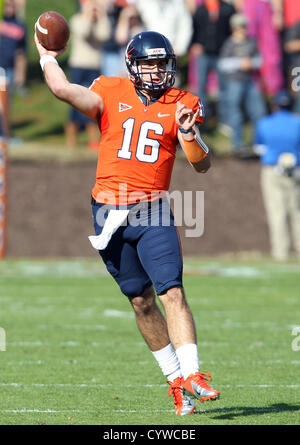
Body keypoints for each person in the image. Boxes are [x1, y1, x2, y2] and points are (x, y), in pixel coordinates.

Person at [34, 29, 220, 415]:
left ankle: (194, 373)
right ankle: (175, 382)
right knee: (140, 301)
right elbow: (65, 91)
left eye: (162, 63)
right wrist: (47, 57)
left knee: (172, 291)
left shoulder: (184, 103)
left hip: (152, 208)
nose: (156, 70)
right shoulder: (109, 89)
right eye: (149, 63)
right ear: (134, 66)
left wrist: (188, 131)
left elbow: (202, 165)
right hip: (108, 212)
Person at [254, 90, 300, 261]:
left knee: (277, 212)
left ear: (275, 105)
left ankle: (281, 253)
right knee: (296, 211)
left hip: (272, 169)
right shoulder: (297, 122)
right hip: (295, 168)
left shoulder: (265, 122)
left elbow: (259, 147)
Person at [65, 0, 111, 150]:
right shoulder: (77, 19)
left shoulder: (100, 22)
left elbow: (105, 35)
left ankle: (93, 141)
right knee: (73, 102)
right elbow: (84, 32)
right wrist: (87, 16)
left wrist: (102, 15)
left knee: (94, 102)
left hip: (95, 66)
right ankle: (71, 140)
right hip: (78, 65)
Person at [218, 13, 266, 153]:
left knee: (258, 111)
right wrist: (239, 63)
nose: (242, 29)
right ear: (233, 28)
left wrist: (252, 63)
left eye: (244, 26)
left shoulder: (251, 42)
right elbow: (222, 64)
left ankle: (258, 143)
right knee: (236, 114)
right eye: (239, 26)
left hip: (250, 81)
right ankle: (237, 144)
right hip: (234, 82)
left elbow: (259, 60)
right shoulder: (229, 44)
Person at [190, 0, 236, 127]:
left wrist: (229, 48)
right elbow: (195, 29)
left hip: (221, 54)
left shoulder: (228, 9)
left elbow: (233, 31)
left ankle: (225, 120)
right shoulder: (201, 9)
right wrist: (195, 44)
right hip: (204, 54)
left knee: (224, 88)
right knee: (201, 88)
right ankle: (201, 120)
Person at [0, 0, 27, 139]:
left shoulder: (20, 26)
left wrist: (20, 73)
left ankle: (5, 135)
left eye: (12, 5)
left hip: (9, 70)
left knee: (5, 103)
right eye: (7, 5)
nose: (9, 8)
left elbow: (21, 52)